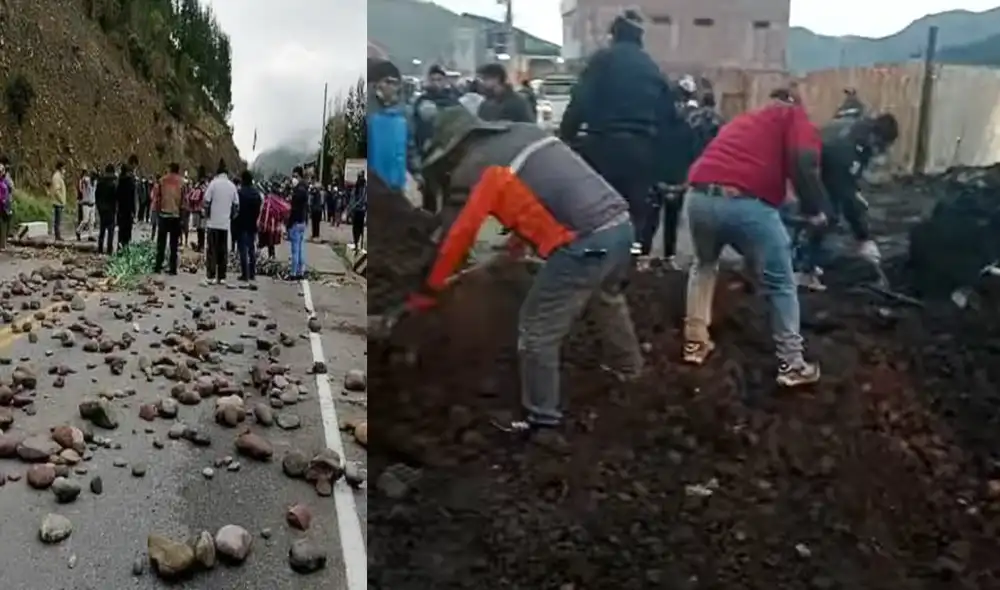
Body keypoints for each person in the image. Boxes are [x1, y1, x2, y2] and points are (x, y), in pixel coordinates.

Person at [403, 107, 643, 432]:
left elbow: (459, 235)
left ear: (455, 148)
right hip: (620, 226)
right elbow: (534, 203)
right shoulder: (523, 134)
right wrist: (511, 252)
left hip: (585, 242)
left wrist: (430, 290)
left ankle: (542, 420)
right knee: (607, 296)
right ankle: (629, 372)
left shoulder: (476, 166)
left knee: (536, 331)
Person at [680, 88, 830, 387]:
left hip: (699, 198)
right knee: (782, 283)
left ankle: (695, 343)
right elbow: (804, 162)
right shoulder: (792, 115)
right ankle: (791, 363)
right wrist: (815, 210)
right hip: (744, 203)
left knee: (705, 265)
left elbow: (739, 166)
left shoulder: (746, 120)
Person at [559, 10, 688, 252]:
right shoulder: (652, 68)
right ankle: (630, 265)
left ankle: (593, 262)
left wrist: (565, 137)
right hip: (641, 155)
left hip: (602, 148)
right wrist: (669, 170)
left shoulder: (602, 60)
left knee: (596, 214)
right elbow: (669, 120)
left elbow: (580, 101)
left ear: (613, 35)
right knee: (635, 217)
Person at [793, 113, 899, 290]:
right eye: (880, 146)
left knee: (829, 212)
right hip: (804, 169)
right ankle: (801, 269)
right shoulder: (847, 150)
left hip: (823, 168)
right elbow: (845, 193)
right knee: (823, 215)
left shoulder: (860, 136)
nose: (880, 151)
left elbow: (849, 186)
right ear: (875, 137)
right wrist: (863, 237)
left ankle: (807, 262)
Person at [367, 58, 412, 193]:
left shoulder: (404, 115)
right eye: (388, 82)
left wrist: (416, 174)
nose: (392, 87)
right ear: (375, 85)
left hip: (397, 187)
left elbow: (411, 148)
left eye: (395, 83)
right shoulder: (367, 114)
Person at [202, 160, 239, 285]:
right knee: (223, 251)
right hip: (225, 224)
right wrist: (231, 217)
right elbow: (236, 205)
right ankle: (222, 277)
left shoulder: (213, 184)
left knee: (212, 250)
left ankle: (211, 276)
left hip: (213, 223)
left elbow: (206, 201)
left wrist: (207, 215)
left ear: (217, 174)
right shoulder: (232, 186)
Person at [153, 162, 185, 275]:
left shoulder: (162, 180)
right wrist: (182, 217)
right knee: (173, 244)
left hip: (163, 214)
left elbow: (157, 197)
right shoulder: (182, 183)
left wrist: (156, 211)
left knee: (161, 243)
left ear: (170, 169)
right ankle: (173, 268)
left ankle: (158, 265)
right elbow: (184, 202)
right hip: (175, 216)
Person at [235, 169, 262, 282]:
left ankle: (244, 274)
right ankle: (252, 273)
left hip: (241, 224)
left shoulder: (240, 193)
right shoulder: (256, 194)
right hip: (252, 224)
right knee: (251, 249)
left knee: (243, 250)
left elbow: (236, 208)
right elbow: (258, 209)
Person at [287, 165, 310, 280]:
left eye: (295, 176)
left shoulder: (298, 191)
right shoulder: (305, 189)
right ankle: (301, 271)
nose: (293, 179)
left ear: (299, 176)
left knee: (295, 250)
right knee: (301, 249)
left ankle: (293, 273)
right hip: (302, 222)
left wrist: (289, 224)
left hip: (296, 222)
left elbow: (294, 209)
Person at [116, 155, 138, 249]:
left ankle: (120, 247)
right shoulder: (131, 181)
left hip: (120, 209)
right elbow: (132, 197)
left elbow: (116, 194)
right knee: (127, 231)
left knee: (121, 231)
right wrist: (134, 211)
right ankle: (125, 248)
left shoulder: (119, 180)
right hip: (128, 210)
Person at [95, 164, 117, 254]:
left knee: (102, 230)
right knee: (110, 232)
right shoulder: (113, 185)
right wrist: (115, 210)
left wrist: (99, 207)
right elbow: (115, 199)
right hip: (110, 211)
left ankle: (100, 248)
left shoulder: (100, 183)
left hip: (102, 210)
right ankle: (109, 250)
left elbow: (97, 196)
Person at [75, 171, 96, 240]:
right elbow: (83, 180)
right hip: (86, 204)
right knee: (85, 220)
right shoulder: (86, 182)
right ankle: (78, 231)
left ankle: (90, 235)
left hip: (92, 203)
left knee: (92, 221)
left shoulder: (95, 183)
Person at [49, 162, 67, 241]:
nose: (65, 170)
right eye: (64, 168)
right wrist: (62, 200)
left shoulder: (59, 176)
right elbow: (57, 191)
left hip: (59, 201)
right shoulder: (56, 177)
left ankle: (58, 235)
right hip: (58, 202)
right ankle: (57, 235)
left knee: (58, 220)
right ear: (60, 168)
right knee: (57, 220)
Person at [349, 181, 366, 252]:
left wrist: (352, 207)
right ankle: (357, 243)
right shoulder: (361, 191)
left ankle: (357, 243)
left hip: (357, 211)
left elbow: (352, 201)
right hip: (359, 211)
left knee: (356, 228)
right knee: (358, 229)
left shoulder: (360, 190)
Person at [0, 159, 11, 251]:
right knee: (3, 225)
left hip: (5, 205)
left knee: (4, 225)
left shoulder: (4, 181)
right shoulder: (3, 182)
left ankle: (3, 244)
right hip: (2, 206)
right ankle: (2, 245)